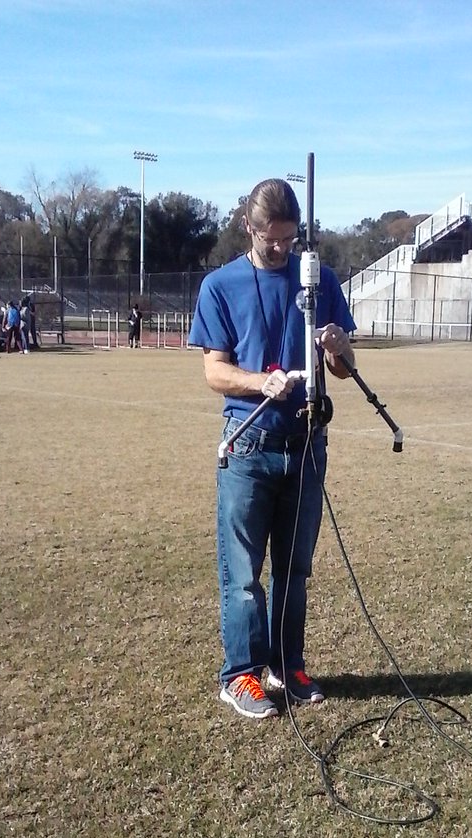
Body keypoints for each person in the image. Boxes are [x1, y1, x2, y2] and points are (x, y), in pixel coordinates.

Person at [188, 177, 356, 719]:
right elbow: (215, 372)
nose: (282, 249)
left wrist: (337, 346)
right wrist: (260, 382)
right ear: (249, 227)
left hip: (306, 446)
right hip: (248, 446)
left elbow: (342, 368)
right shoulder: (220, 285)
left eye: (289, 238)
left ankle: (287, 664)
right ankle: (240, 674)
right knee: (243, 575)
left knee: (294, 569)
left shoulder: (319, 279)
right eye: (271, 239)